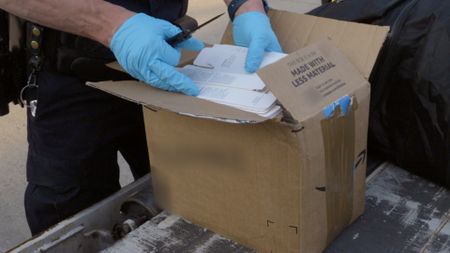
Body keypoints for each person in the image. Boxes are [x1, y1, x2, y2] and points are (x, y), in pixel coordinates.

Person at [0, 0, 282, 235]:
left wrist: (246, 7)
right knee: (70, 222)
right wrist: (111, 26)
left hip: (167, 61)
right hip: (72, 81)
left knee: (197, 203)